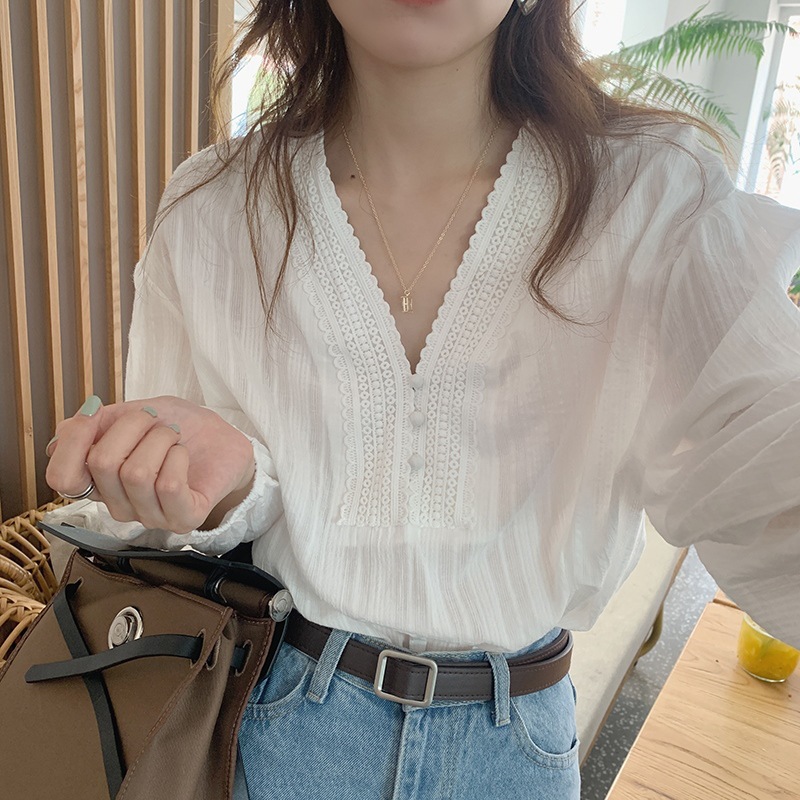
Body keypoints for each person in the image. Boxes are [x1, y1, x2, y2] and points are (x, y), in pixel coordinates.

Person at [43, 0, 800, 798]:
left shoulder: (656, 200)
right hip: (274, 723)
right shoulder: (213, 208)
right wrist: (224, 488)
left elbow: (766, 467)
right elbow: (162, 534)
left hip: (515, 751)